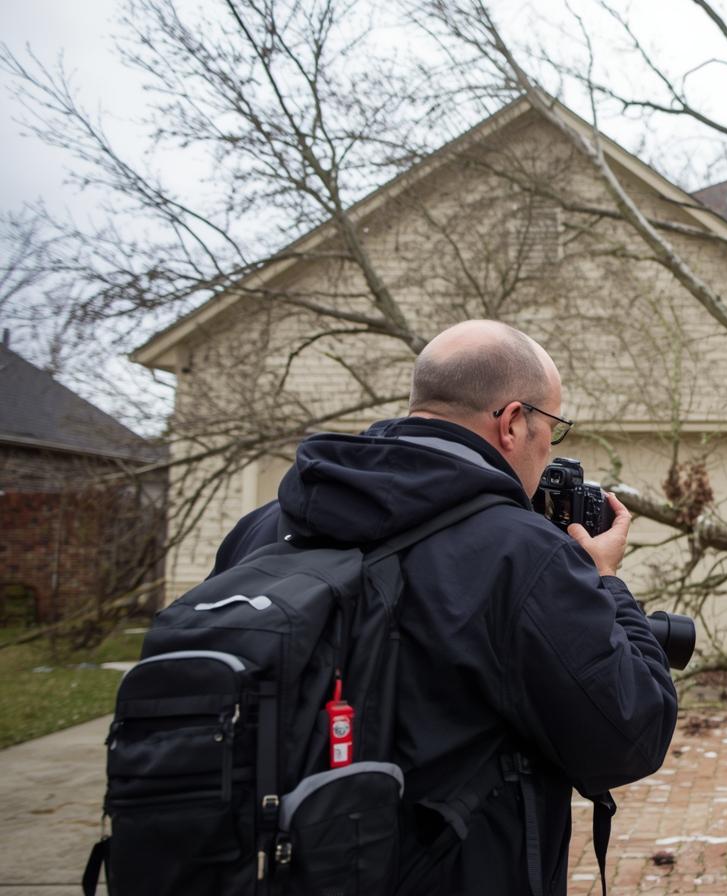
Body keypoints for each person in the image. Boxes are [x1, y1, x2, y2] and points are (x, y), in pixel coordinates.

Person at [209, 319, 678, 895]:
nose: (548, 448)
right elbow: (630, 734)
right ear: (512, 422)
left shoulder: (262, 528)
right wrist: (605, 580)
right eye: (551, 428)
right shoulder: (519, 553)